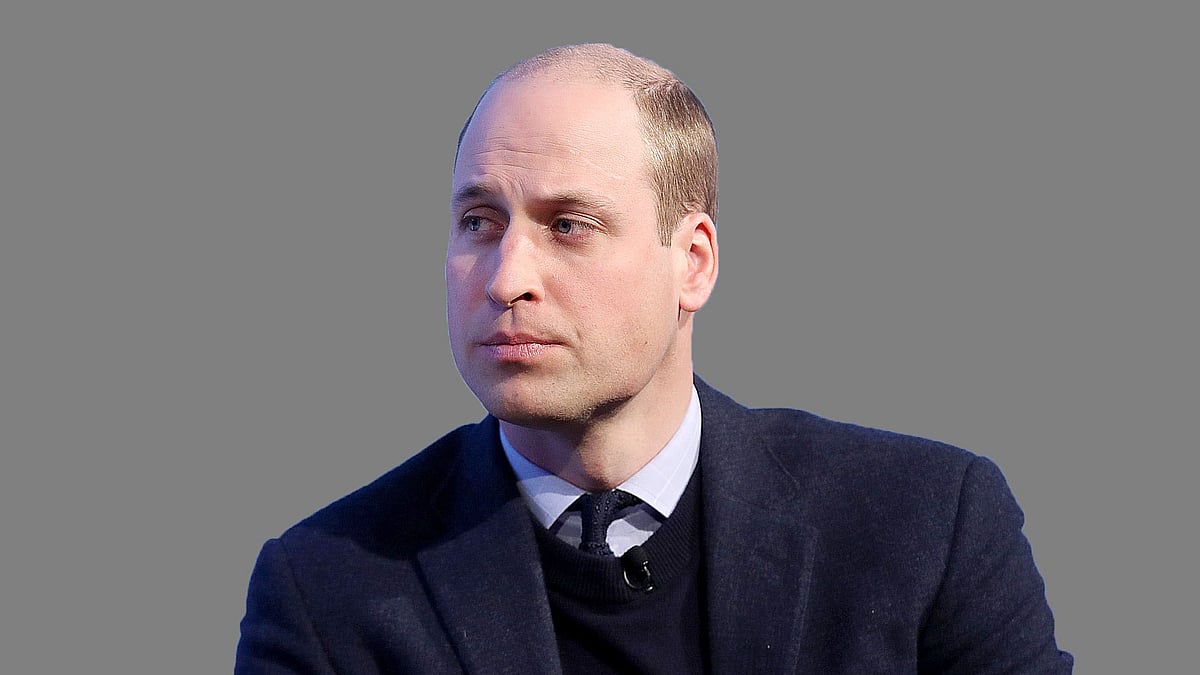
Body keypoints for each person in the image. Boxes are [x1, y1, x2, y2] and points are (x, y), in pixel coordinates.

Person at [236, 43, 1072, 674]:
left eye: (570, 225)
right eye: (479, 222)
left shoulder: (927, 528)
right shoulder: (327, 588)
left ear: (694, 262)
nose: (506, 277)